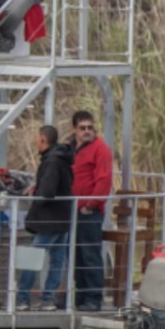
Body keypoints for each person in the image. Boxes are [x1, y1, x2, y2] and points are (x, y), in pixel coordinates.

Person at [16, 125, 75, 309]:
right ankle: (47, 298)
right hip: (63, 218)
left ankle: (22, 298)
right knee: (57, 261)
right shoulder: (63, 158)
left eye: (37, 138)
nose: (36, 141)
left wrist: (34, 197)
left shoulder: (52, 161)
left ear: (42, 139)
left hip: (49, 219)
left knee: (32, 257)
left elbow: (48, 191)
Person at [69, 110, 114, 311]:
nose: (87, 131)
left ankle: (94, 298)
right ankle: (79, 296)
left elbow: (104, 180)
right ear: (75, 130)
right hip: (71, 210)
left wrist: (91, 204)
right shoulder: (69, 148)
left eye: (90, 127)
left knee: (90, 254)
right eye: (82, 128)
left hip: (89, 211)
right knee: (76, 255)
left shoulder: (101, 149)